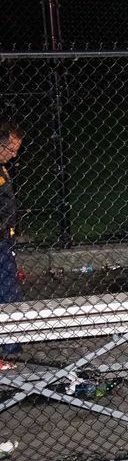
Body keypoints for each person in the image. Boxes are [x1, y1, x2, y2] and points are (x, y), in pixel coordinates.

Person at [0, 120, 24, 357]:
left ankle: (11, 343)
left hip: (4, 239)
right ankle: (11, 346)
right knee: (8, 290)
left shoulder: (2, 168)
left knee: (8, 287)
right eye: (12, 148)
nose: (15, 154)